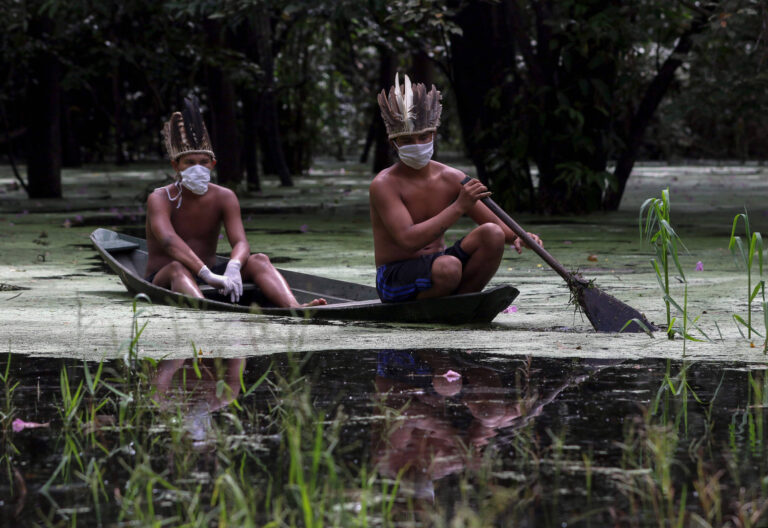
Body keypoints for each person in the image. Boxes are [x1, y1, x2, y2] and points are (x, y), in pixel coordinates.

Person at [370, 73, 543, 303]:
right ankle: (432, 308)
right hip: (395, 277)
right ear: (394, 142)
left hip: (439, 265)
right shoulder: (384, 185)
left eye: (423, 137)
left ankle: (460, 301)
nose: (418, 145)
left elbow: (495, 223)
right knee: (448, 268)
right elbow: (408, 241)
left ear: (433, 134)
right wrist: (460, 206)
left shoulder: (451, 177)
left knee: (492, 234)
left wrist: (520, 236)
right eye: (407, 140)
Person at [145, 95, 325, 308]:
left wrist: (234, 265)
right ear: (176, 166)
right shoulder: (160, 198)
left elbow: (240, 242)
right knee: (177, 267)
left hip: (212, 274)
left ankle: (294, 308)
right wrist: (207, 274)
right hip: (167, 275)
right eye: (190, 162)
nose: (198, 167)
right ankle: (208, 313)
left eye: (203, 162)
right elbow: (168, 241)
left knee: (259, 260)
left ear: (212, 164)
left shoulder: (224, 196)